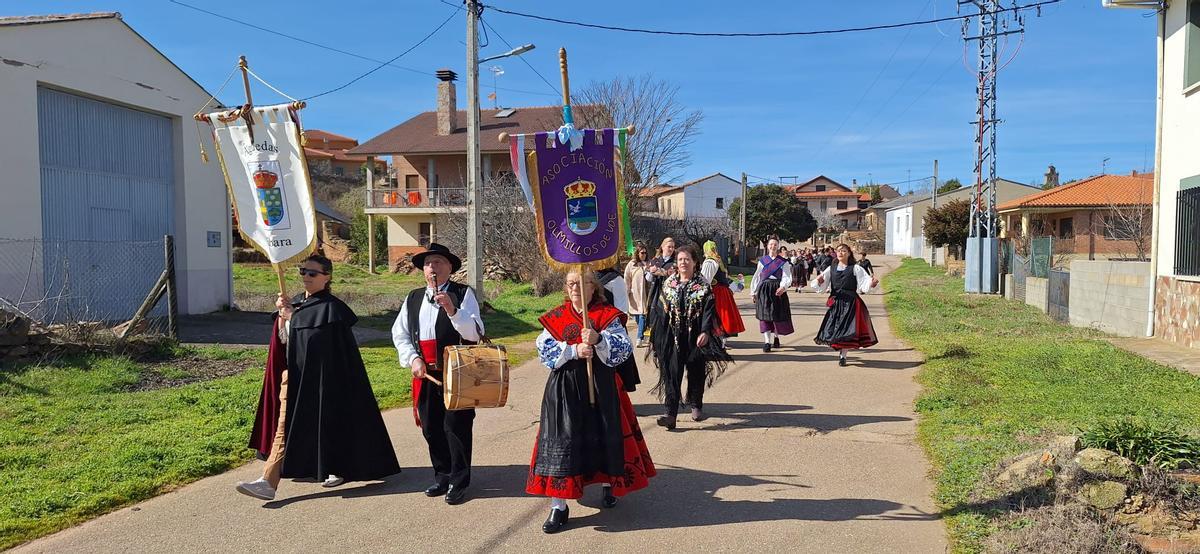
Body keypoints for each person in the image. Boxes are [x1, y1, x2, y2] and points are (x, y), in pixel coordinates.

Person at [236, 254, 400, 501]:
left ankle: (335, 467)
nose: (306, 277)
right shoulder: (296, 305)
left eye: (312, 273)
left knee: (330, 422)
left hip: (326, 380)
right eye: (303, 272)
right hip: (294, 377)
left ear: (327, 277)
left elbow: (322, 344)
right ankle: (267, 482)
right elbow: (285, 341)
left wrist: (294, 317)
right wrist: (283, 316)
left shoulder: (332, 308)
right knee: (284, 427)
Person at [527, 270, 656, 534]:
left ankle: (610, 485)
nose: (575, 287)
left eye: (581, 282)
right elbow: (544, 349)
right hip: (564, 390)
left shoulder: (605, 315)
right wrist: (573, 350)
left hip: (602, 387)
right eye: (571, 283)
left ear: (593, 287)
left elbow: (623, 348)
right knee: (562, 442)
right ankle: (558, 506)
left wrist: (598, 340)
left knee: (605, 435)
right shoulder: (557, 316)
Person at [391, 243, 485, 505]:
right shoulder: (413, 297)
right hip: (426, 373)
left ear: (450, 268)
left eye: (439, 262)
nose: (433, 267)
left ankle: (459, 479)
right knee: (431, 426)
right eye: (428, 263)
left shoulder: (463, 293)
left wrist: (453, 311)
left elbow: (474, 333)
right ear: (423, 269)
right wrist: (413, 358)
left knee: (456, 426)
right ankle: (442, 474)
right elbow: (400, 334)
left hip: (457, 372)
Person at [648, 244, 732, 429]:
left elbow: (709, 311)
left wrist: (704, 331)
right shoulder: (669, 283)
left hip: (695, 335)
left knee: (695, 371)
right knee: (671, 372)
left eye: (687, 259)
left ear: (695, 262)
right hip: (673, 334)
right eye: (680, 260)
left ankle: (696, 405)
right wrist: (657, 337)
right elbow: (661, 311)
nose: (683, 263)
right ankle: (670, 414)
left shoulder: (702, 285)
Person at [811, 243, 880, 366]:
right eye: (838, 251)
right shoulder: (830, 269)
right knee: (834, 329)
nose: (840, 253)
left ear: (849, 253)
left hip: (851, 303)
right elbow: (822, 285)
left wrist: (871, 284)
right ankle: (841, 351)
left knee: (847, 329)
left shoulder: (855, 268)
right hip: (836, 302)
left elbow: (864, 283)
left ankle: (843, 355)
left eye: (843, 251)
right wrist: (818, 281)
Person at [750, 236, 795, 352]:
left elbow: (787, 277)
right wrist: (753, 292)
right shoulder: (762, 261)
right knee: (764, 316)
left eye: (775, 244)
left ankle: (776, 337)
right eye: (771, 244)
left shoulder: (783, 262)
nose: (773, 246)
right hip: (764, 290)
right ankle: (766, 342)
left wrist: (783, 287)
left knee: (776, 315)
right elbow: (757, 277)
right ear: (767, 246)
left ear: (778, 246)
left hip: (777, 289)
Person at [700, 240, 746, 346]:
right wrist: (740, 283)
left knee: (715, 317)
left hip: (716, 294)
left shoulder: (709, 262)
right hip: (723, 293)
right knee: (721, 318)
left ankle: (718, 345)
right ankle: (721, 344)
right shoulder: (718, 261)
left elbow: (704, 281)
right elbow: (727, 281)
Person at [623, 242, 652, 347]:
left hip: (645, 294)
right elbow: (627, 278)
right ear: (637, 253)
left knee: (643, 315)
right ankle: (643, 335)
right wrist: (627, 291)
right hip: (634, 294)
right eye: (641, 253)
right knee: (637, 316)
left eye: (645, 253)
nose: (643, 254)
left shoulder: (649, 264)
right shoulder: (632, 264)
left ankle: (639, 338)